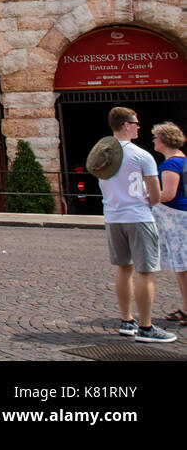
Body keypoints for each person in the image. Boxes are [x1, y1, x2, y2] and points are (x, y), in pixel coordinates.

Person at [98, 106, 175, 342]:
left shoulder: (101, 153)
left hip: (112, 216)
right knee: (145, 272)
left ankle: (126, 321)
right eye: (136, 123)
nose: (139, 127)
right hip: (138, 217)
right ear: (125, 125)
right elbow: (155, 195)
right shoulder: (141, 156)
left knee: (124, 268)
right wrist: (149, 199)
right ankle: (146, 327)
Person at [152, 122, 187, 327]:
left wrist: (147, 195)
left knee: (183, 267)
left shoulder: (170, 164)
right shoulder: (183, 159)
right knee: (182, 268)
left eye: (156, 138)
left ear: (164, 141)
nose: (154, 141)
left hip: (177, 217)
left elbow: (168, 194)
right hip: (182, 214)